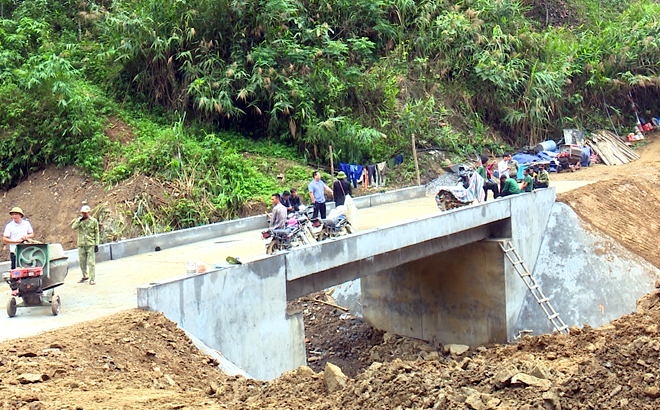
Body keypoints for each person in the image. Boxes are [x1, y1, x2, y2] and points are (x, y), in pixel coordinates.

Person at [72, 205, 99, 285]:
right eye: (82, 213)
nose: (83, 214)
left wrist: (96, 244)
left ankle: (92, 279)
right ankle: (84, 276)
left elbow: (96, 232)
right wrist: (79, 221)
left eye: (85, 213)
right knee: (82, 262)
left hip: (90, 244)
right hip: (81, 244)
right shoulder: (80, 221)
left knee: (91, 262)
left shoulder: (93, 221)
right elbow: (73, 227)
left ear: (89, 213)